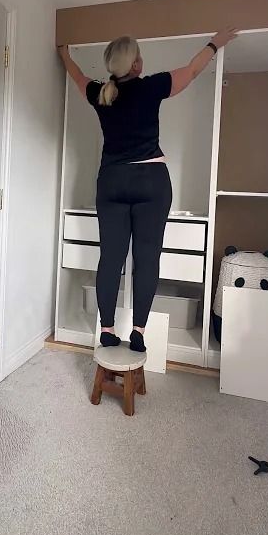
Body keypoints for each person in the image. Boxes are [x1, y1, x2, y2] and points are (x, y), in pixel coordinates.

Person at [58, 27, 237, 352]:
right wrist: (214, 43)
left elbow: (77, 75)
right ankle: (139, 332)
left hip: (111, 181)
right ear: (136, 64)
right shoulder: (152, 86)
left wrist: (64, 54)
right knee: (147, 257)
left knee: (110, 258)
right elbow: (194, 69)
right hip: (150, 180)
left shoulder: (101, 93)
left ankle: (108, 330)